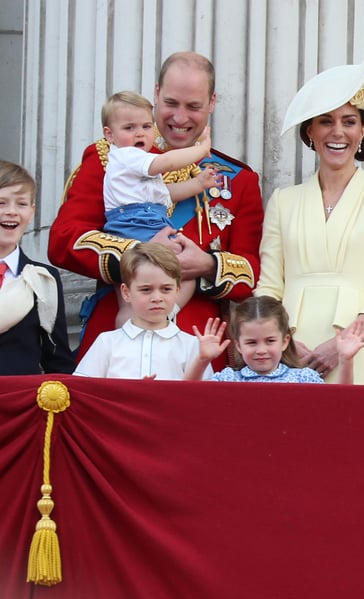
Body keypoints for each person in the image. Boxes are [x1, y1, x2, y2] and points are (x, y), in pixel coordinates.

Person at [49, 52, 264, 370]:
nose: (180, 118)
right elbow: (64, 241)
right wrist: (140, 254)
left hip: (195, 348)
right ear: (156, 94)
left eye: (193, 106)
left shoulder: (239, 180)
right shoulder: (111, 158)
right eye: (171, 103)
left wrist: (206, 265)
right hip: (119, 340)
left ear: (212, 103)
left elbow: (250, 273)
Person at [255, 47, 364, 385]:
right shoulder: (283, 201)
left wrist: (343, 343)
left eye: (349, 121)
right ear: (310, 132)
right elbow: (268, 286)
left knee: (353, 435)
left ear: (363, 131)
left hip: (356, 348)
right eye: (326, 121)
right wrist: (280, 342)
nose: (337, 131)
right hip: (288, 352)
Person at [99, 90, 220, 327]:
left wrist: (198, 184)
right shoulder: (128, 156)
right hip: (136, 226)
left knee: (132, 298)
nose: (139, 133)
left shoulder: (136, 165)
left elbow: (165, 195)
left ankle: (157, 319)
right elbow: (165, 163)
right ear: (109, 135)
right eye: (129, 128)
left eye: (146, 126)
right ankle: (160, 319)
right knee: (183, 275)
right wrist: (202, 150)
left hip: (145, 218)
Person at [74, 243, 212, 380]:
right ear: (126, 292)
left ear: (177, 290)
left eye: (166, 289)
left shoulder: (191, 345)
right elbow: (83, 389)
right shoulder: (107, 342)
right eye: (146, 290)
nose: (157, 298)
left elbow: (202, 397)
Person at [185, 296, 364, 383]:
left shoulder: (303, 378)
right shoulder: (229, 379)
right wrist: (202, 360)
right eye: (251, 342)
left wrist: (346, 361)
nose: (261, 350)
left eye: (269, 341)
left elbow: (339, 405)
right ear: (238, 345)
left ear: (284, 341)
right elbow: (188, 396)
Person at [0, 160, 75, 375]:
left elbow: (57, 358)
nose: (12, 212)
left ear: (32, 211)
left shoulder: (44, 278)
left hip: (21, 402)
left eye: (21, 204)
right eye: (1, 203)